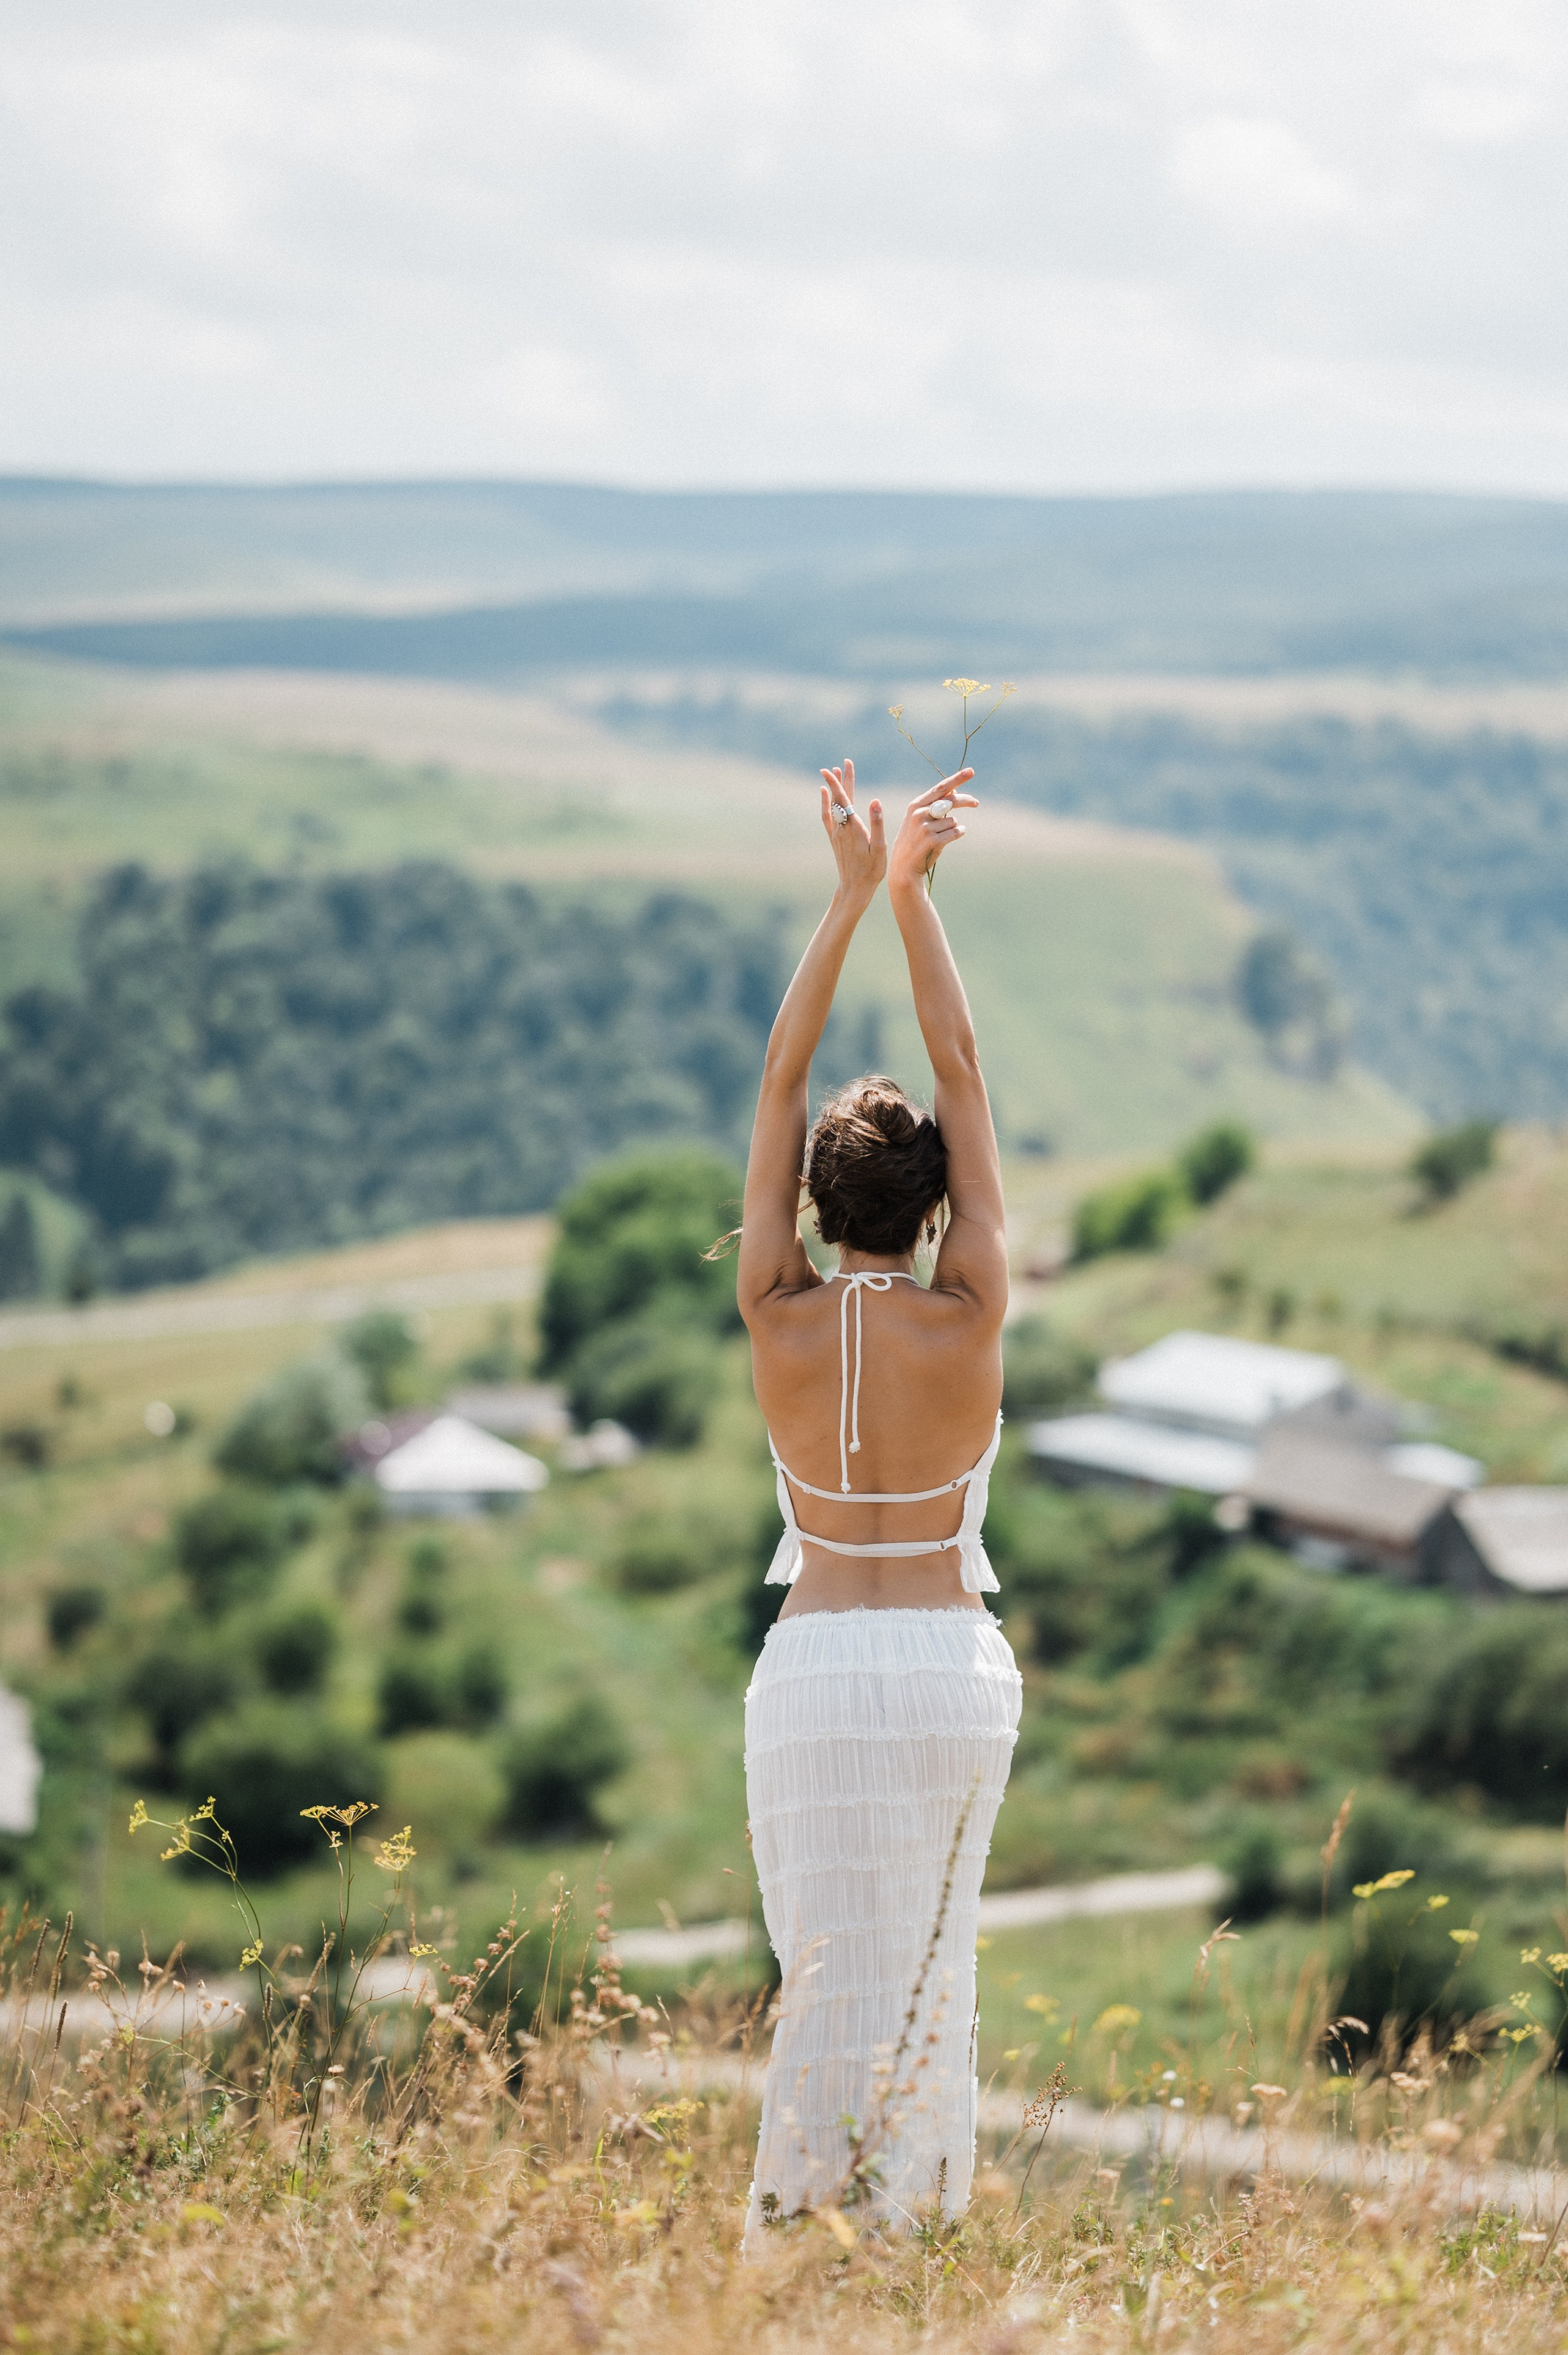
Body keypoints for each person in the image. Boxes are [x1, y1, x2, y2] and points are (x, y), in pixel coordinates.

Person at [737, 756, 1022, 2247]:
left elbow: (777, 1083)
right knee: (929, 1976)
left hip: (812, 1674)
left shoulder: (773, 1305)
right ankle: (914, 2253)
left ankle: (803, 2253)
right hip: (947, 1670)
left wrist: (845, 895)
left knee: (822, 1983)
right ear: (930, 1201)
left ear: (810, 1198)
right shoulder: (967, 1307)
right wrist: (912, 892)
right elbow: (958, 1067)